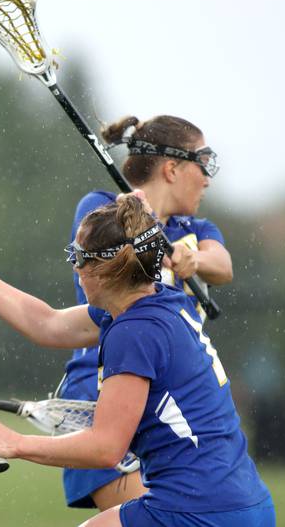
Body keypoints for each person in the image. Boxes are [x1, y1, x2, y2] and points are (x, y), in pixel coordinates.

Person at [0, 195, 274, 527]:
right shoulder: (158, 300)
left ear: (105, 271)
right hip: (243, 503)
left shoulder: (132, 333)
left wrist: (14, 443)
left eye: (78, 256)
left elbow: (106, 447)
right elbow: (48, 324)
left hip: (198, 510)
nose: (75, 267)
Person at [58, 114, 234, 510]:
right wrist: (146, 230)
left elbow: (222, 266)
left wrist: (193, 259)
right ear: (172, 168)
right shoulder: (104, 212)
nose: (207, 178)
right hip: (107, 387)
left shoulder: (196, 229)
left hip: (168, 402)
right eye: (201, 164)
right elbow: (107, 291)